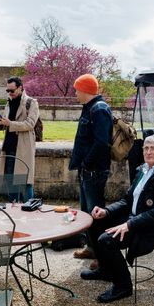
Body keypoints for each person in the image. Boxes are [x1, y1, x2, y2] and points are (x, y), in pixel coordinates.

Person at [81, 134, 154, 303]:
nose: (148, 151)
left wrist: (129, 224)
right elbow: (127, 200)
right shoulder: (144, 169)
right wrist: (106, 212)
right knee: (94, 222)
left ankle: (123, 286)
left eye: (153, 148)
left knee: (106, 240)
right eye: (145, 148)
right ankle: (106, 270)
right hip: (136, 219)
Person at [68, 74, 113, 265]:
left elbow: (102, 142)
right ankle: (92, 248)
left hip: (94, 170)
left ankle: (102, 255)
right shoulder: (91, 108)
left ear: (85, 90)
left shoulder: (99, 109)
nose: (75, 93)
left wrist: (86, 162)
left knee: (95, 213)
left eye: (77, 89)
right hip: (88, 169)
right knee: (86, 212)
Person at [0, 76, 38, 201]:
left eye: (12, 90)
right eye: (7, 91)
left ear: (20, 88)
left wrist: (10, 124)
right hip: (9, 147)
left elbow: (30, 124)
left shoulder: (31, 102)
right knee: (11, 184)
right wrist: (1, 123)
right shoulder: (8, 102)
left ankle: (29, 213)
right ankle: (13, 213)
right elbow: (6, 122)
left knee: (24, 183)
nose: (9, 93)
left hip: (23, 148)